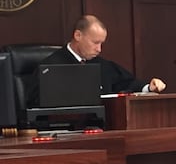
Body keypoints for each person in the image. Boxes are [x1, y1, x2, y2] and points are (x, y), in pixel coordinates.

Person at [29, 15, 166, 105]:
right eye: (95, 42)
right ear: (78, 35)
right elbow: (35, 103)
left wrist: (149, 87)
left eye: (101, 43)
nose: (99, 49)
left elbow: (126, 83)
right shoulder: (50, 67)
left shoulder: (102, 65)